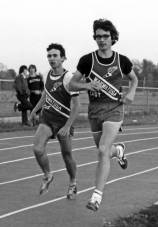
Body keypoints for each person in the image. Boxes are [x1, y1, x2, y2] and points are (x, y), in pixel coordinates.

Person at [69, 18, 138, 211]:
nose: (101, 40)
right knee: (106, 151)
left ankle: (96, 197)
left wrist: (131, 93)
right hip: (95, 110)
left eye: (105, 36)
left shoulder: (121, 60)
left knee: (101, 150)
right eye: (98, 36)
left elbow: (134, 79)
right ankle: (119, 151)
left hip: (114, 109)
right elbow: (71, 84)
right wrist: (86, 85)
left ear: (112, 37)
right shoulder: (87, 60)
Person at [29, 43, 80, 199]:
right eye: (49, 56)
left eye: (55, 55)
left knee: (67, 155)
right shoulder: (48, 74)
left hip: (63, 122)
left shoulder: (69, 78)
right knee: (37, 149)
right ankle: (47, 175)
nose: (51, 58)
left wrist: (68, 125)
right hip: (47, 118)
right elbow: (45, 96)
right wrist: (34, 110)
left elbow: (76, 105)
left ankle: (73, 182)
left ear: (63, 58)